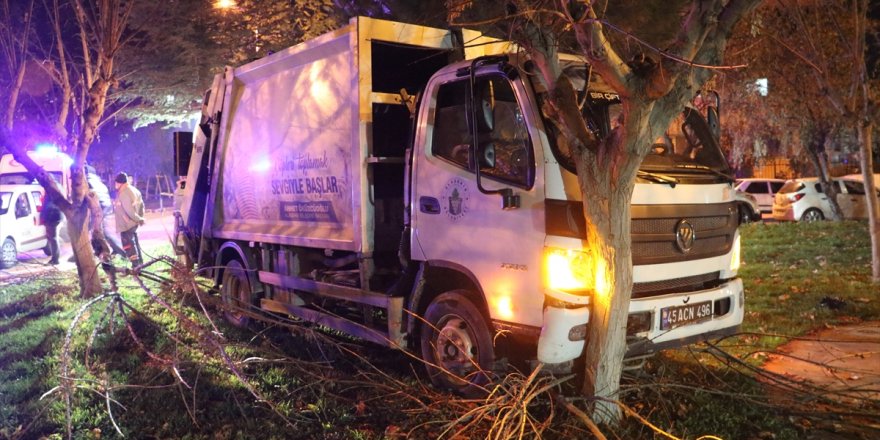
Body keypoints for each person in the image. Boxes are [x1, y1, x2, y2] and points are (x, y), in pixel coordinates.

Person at [86, 166, 125, 257]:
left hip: (99, 208)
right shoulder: (98, 181)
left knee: (102, 232)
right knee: (98, 231)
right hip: (106, 206)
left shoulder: (88, 182)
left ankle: (121, 252)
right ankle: (107, 251)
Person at [113, 172, 145, 267]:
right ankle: (140, 263)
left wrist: (139, 219)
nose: (115, 185)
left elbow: (129, 211)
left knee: (129, 245)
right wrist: (140, 218)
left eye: (116, 183)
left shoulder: (124, 193)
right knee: (134, 243)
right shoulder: (134, 190)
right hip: (132, 223)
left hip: (127, 224)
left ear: (120, 183)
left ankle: (136, 266)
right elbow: (142, 205)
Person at [40, 194, 63, 265]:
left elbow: (48, 207)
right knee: (52, 239)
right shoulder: (50, 194)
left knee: (53, 239)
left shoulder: (51, 195)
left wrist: (45, 217)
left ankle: (55, 259)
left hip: (53, 218)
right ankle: (55, 258)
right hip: (51, 218)